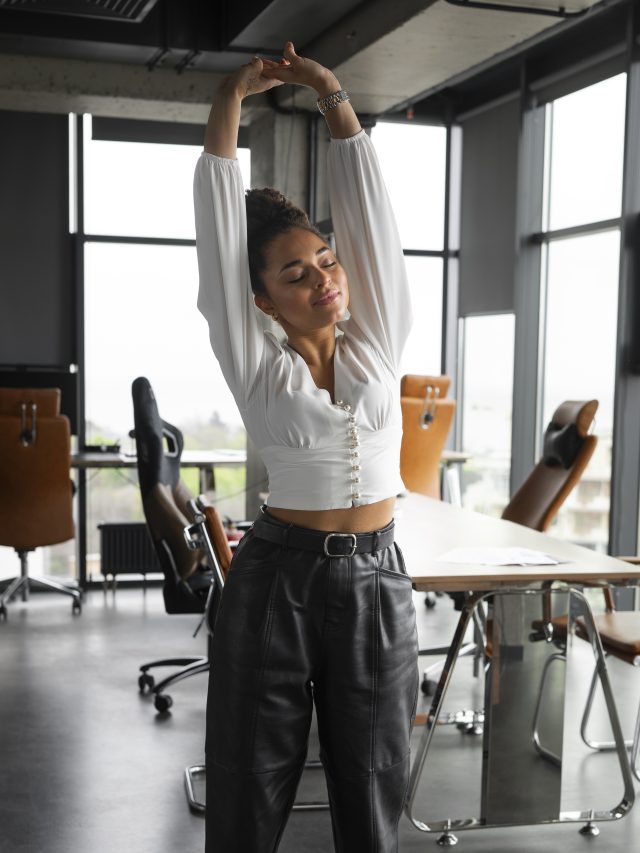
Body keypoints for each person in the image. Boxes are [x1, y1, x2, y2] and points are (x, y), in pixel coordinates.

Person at [194, 41, 418, 853]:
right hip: (276, 584)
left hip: (378, 578)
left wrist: (330, 92)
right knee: (249, 793)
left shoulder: (379, 340)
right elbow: (218, 229)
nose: (323, 277)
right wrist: (230, 100)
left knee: (375, 791)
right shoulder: (255, 361)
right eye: (295, 274)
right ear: (260, 298)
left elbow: (371, 219)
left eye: (325, 260)